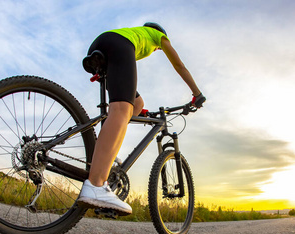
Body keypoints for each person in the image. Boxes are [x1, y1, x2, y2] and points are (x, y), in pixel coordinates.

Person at [77, 22, 205, 215]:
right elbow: (180, 65)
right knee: (121, 109)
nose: (156, 51)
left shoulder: (137, 33)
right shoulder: (158, 36)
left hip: (100, 44)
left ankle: (106, 155)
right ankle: (96, 184)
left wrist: (135, 111)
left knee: (133, 105)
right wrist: (197, 93)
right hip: (119, 45)